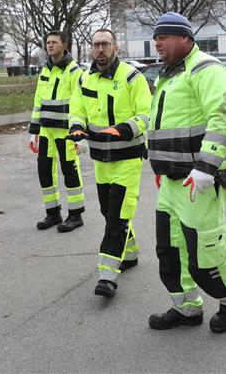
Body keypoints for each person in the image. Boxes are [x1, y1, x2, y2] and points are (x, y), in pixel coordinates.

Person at [146, 12, 226, 333]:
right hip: (171, 183)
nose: (157, 42)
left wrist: (207, 167)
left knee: (205, 260)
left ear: (186, 38)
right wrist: (160, 166)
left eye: (164, 36)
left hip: (198, 182)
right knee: (170, 254)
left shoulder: (205, 68)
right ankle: (187, 308)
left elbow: (222, 117)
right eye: (156, 37)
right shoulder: (169, 74)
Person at [68, 28, 151, 298]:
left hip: (127, 158)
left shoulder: (132, 77)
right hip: (100, 160)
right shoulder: (85, 79)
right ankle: (130, 253)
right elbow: (77, 109)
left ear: (116, 47)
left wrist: (125, 129)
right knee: (108, 211)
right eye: (96, 45)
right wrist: (78, 128)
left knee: (116, 216)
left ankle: (107, 275)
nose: (100, 49)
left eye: (105, 44)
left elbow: (146, 114)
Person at [28, 31, 86, 232]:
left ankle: (76, 214)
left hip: (66, 132)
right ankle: (53, 213)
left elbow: (80, 103)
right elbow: (38, 101)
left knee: (69, 170)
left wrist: (79, 133)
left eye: (54, 42)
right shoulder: (46, 70)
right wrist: (34, 130)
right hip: (46, 130)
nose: (50, 45)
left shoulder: (73, 71)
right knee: (44, 170)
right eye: (48, 42)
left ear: (65, 45)